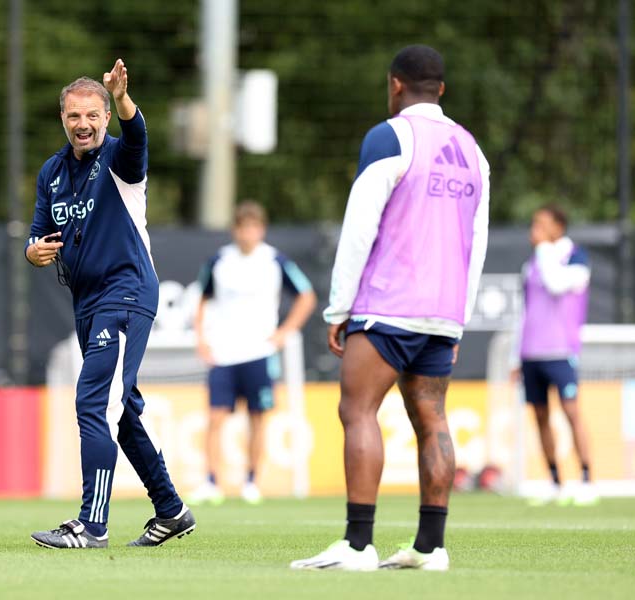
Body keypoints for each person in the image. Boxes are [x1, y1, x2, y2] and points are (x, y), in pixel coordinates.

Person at [290, 45, 490, 572]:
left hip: (389, 305)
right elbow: (479, 239)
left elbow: (360, 228)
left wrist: (339, 308)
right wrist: (459, 314)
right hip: (444, 311)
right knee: (432, 419)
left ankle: (357, 545)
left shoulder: (390, 135)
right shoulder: (473, 150)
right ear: (441, 89)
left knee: (357, 411)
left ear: (395, 84)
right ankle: (431, 548)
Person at [26, 59, 194, 549]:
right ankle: (171, 510)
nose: (84, 125)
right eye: (74, 116)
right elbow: (38, 236)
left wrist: (122, 99)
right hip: (87, 301)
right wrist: (32, 251)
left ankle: (92, 524)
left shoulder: (120, 159)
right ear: (63, 119)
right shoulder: (52, 173)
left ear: (103, 117)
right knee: (122, 413)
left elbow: (137, 133)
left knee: (93, 403)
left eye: (93, 116)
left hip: (126, 290)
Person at [188, 202, 317, 506]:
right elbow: (201, 300)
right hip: (223, 352)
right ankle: (211, 481)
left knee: (258, 418)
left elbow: (306, 295)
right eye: (243, 227)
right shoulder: (219, 261)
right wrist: (201, 338)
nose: (248, 233)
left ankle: (251, 481)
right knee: (215, 417)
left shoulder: (275, 261)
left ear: (261, 229)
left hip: (260, 352)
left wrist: (286, 331)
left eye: (254, 227)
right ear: (235, 230)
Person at [511, 205, 596, 506]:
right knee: (540, 417)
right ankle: (555, 481)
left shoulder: (575, 257)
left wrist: (546, 251)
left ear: (558, 227)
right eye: (534, 223)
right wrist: (514, 356)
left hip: (561, 351)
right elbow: (524, 312)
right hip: (531, 353)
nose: (535, 230)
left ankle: (586, 479)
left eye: (542, 224)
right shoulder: (531, 264)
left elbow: (557, 285)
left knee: (572, 413)